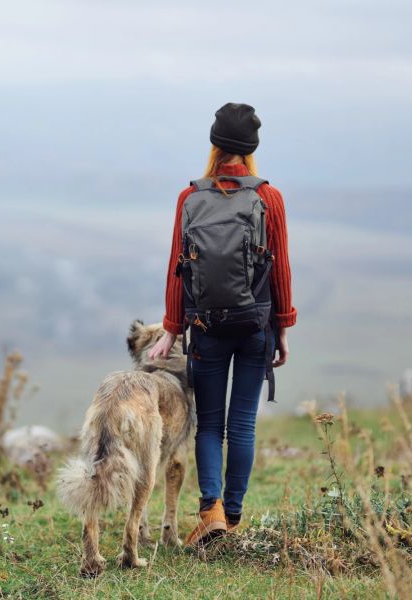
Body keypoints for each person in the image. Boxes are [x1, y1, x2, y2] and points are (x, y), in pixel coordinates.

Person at [147, 103, 296, 546]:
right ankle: (231, 517)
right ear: (251, 150)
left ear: (214, 145)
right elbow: (281, 269)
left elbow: (177, 267)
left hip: (206, 328)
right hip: (255, 326)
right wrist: (282, 327)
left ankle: (208, 510)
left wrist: (172, 329)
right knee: (243, 424)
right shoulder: (269, 198)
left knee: (210, 425)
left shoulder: (190, 198)